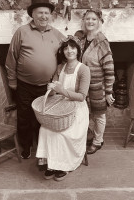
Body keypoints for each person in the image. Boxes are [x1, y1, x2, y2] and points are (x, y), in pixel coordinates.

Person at [5, 0, 65, 159]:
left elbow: (67, 54)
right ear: (32, 14)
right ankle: (26, 146)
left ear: (50, 15)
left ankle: (42, 147)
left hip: (47, 87)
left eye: (47, 13)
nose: (43, 16)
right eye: (40, 12)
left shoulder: (57, 34)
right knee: (24, 117)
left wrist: (57, 78)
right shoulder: (21, 32)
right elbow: (11, 57)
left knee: (44, 118)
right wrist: (12, 81)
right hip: (24, 85)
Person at [36, 35, 90, 181]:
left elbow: (81, 96)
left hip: (77, 110)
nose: (69, 50)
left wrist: (61, 90)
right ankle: (51, 163)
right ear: (63, 52)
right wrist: (52, 88)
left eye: (72, 47)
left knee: (62, 132)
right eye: (66, 48)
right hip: (61, 106)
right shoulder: (60, 67)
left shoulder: (84, 70)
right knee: (45, 128)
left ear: (78, 50)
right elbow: (54, 90)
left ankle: (63, 165)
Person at [75, 9, 115, 155]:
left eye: (93, 19)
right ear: (84, 21)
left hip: (98, 86)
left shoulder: (102, 42)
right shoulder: (80, 38)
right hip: (82, 85)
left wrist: (109, 90)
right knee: (83, 113)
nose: (90, 22)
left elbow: (109, 68)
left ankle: (98, 141)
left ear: (99, 22)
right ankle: (90, 135)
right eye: (87, 19)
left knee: (99, 114)